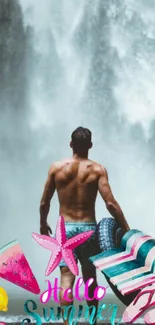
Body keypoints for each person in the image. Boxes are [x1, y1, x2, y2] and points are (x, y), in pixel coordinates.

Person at [39, 126, 130, 325]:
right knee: (90, 277)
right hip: (89, 229)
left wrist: (43, 224)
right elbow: (110, 203)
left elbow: (44, 202)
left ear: (71, 144)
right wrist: (126, 229)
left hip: (65, 232)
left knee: (66, 278)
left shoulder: (56, 168)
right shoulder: (97, 170)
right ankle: (93, 321)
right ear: (90, 145)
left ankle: (67, 323)